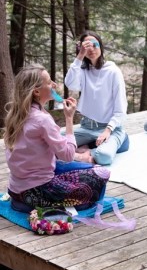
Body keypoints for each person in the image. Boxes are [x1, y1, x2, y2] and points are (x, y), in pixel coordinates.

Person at [4, 64, 110, 211]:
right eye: (48, 82)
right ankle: (40, 203)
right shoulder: (42, 120)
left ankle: (24, 202)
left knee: (83, 167)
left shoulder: (16, 114)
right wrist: (69, 119)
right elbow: (67, 155)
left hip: (15, 188)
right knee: (101, 173)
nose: (53, 84)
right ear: (36, 91)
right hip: (37, 189)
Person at [65, 30, 128, 165]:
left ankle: (83, 153)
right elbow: (71, 84)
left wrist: (107, 131)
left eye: (95, 44)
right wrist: (80, 56)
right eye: (87, 46)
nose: (92, 49)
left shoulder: (113, 71)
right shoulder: (83, 71)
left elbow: (121, 109)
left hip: (109, 128)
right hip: (87, 127)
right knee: (55, 141)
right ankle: (84, 150)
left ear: (101, 46)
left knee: (104, 156)